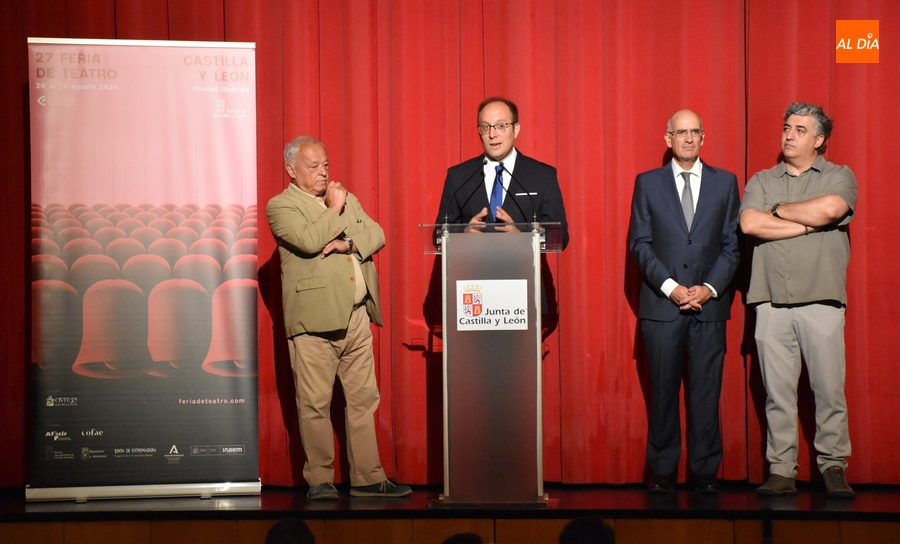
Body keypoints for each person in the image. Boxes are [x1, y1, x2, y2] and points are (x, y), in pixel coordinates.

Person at [267, 136, 412, 500]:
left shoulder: (345, 196)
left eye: (326, 165)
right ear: (291, 170)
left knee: (364, 399)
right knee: (314, 402)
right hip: (314, 324)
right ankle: (320, 480)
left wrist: (348, 244)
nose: (323, 172)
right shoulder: (281, 206)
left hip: (357, 317)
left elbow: (375, 233)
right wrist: (334, 211)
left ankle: (367, 477)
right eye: (313, 166)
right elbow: (309, 240)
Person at [739, 102, 858, 498]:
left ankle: (833, 466)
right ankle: (781, 469)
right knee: (778, 393)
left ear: (819, 140)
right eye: (787, 127)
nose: (789, 135)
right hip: (770, 300)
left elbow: (832, 208)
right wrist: (809, 226)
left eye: (800, 130)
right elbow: (750, 223)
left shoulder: (839, 176)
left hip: (822, 299)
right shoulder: (761, 179)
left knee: (828, 389)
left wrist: (779, 214)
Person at [627, 109, 741, 494]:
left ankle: (705, 474)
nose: (689, 139)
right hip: (662, 308)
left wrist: (707, 289)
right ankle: (661, 474)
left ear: (703, 137)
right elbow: (639, 245)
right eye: (681, 132)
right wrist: (672, 287)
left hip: (709, 308)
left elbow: (732, 245)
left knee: (706, 395)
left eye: (695, 132)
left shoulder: (725, 183)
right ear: (668, 139)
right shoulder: (648, 183)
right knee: (661, 395)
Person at [434, 97, 569, 249]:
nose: (492, 134)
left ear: (516, 129)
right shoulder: (459, 177)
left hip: (525, 271)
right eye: (485, 127)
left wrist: (524, 237)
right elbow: (438, 234)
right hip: (474, 271)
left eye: (501, 126)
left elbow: (560, 236)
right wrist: (463, 234)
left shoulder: (542, 176)